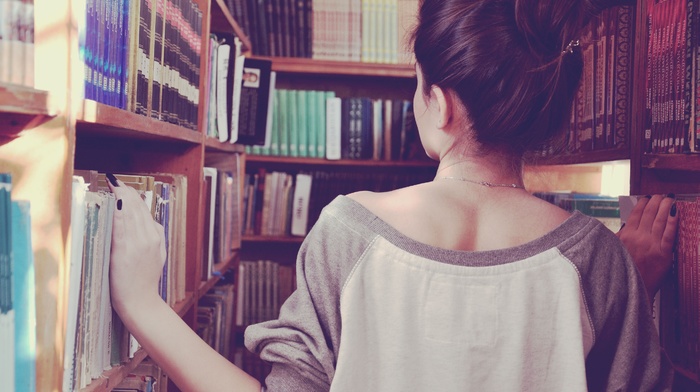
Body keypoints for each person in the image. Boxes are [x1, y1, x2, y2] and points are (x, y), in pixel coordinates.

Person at [106, 0, 679, 390]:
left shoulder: (349, 232)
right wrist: (630, 287)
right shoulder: (596, 262)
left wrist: (141, 302)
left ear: (440, 102)